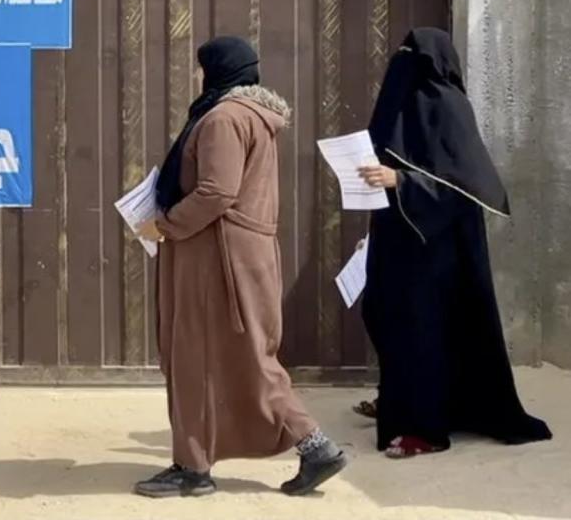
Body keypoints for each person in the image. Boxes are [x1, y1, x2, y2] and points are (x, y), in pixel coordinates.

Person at [136, 36, 346, 498]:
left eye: (200, 68)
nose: (196, 77)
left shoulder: (223, 119)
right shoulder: (250, 116)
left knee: (202, 357)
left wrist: (166, 224)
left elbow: (216, 192)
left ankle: (197, 469)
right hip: (233, 255)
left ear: (216, 71)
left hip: (215, 260)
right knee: (240, 358)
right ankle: (304, 448)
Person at [355, 27, 552, 458]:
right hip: (397, 238)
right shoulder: (401, 106)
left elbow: (467, 187)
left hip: (438, 253)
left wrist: (400, 180)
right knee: (384, 315)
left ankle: (425, 430)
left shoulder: (448, 105)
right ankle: (397, 402)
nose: (400, 61)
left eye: (410, 54)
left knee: (424, 330)